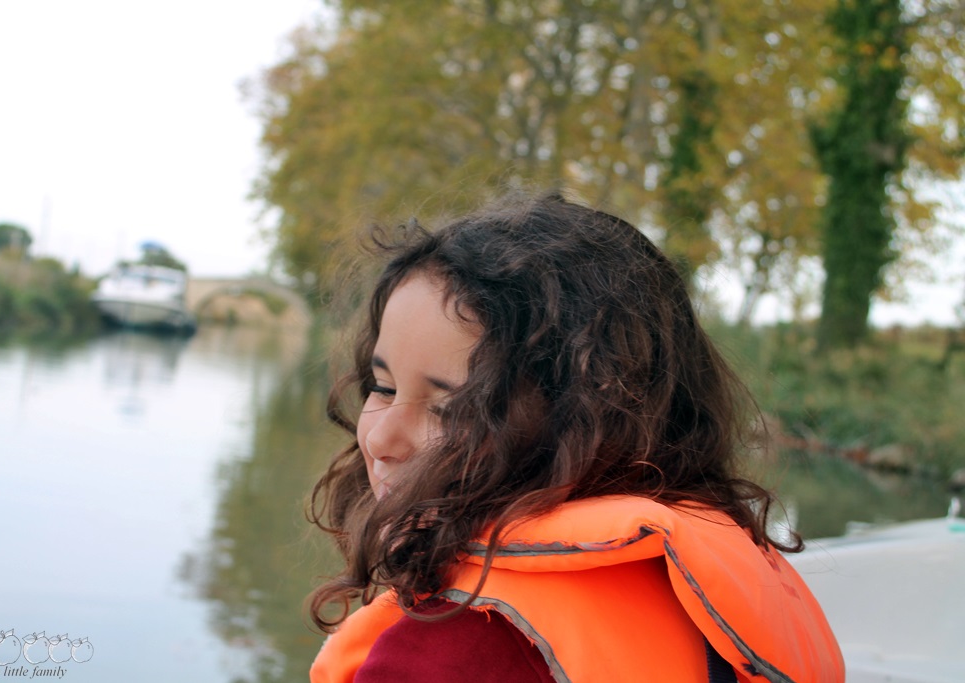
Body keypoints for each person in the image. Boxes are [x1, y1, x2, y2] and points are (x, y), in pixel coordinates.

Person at [308, 193, 844, 682]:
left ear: (585, 424)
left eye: (453, 409)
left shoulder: (455, 650)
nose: (380, 438)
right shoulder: (699, 589)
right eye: (382, 387)